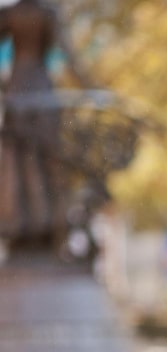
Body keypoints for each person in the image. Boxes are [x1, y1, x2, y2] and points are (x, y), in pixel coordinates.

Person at [0, 0, 91, 251]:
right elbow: (69, 55)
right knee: (44, 160)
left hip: (17, 90)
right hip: (41, 89)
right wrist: (90, 86)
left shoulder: (10, 14)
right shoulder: (47, 13)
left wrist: (4, 84)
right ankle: (45, 228)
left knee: (19, 159)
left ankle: (21, 227)